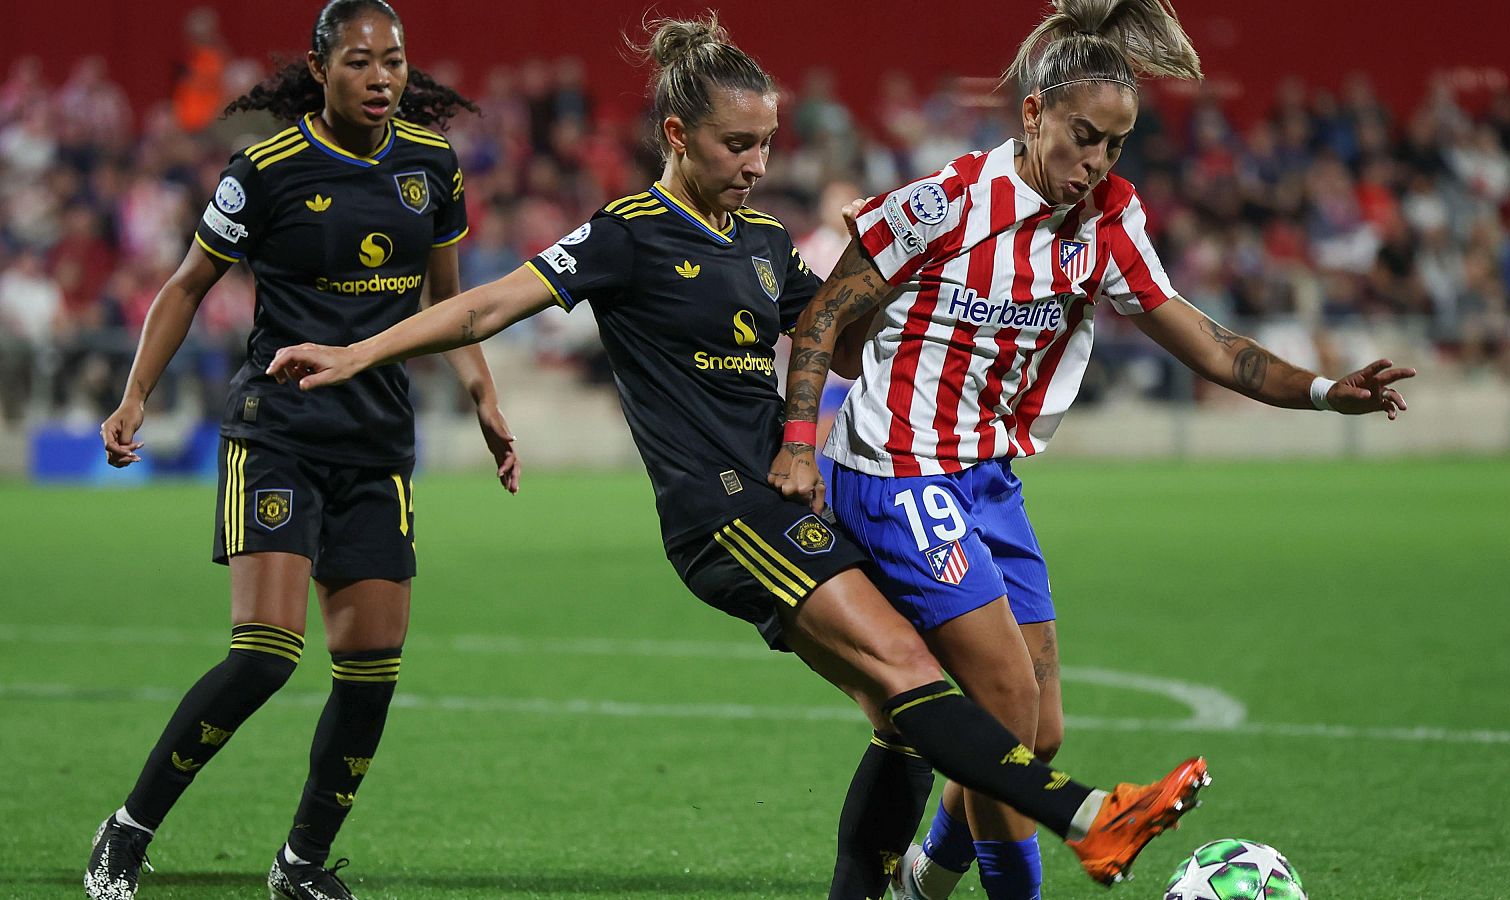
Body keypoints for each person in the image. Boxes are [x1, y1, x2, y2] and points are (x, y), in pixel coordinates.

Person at [265, 14, 1207, 897]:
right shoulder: (627, 233)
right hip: (724, 512)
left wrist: (909, 257)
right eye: (737, 146)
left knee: (904, 723)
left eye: (766, 145)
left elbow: (834, 339)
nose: (758, 166)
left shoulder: (762, 243)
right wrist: (359, 350)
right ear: (678, 135)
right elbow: (486, 303)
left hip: (800, 496)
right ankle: (1087, 812)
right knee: (910, 678)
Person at [768, 2, 1417, 898]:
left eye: (1115, 146)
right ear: (1032, 114)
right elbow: (823, 320)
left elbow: (1202, 337)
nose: (1096, 164)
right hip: (893, 467)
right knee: (1000, 703)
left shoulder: (1108, 220)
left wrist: (1318, 390)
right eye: (1083, 137)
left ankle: (925, 878)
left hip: (986, 480)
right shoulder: (945, 202)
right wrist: (801, 442)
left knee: (1039, 734)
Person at [86, 3, 519, 899]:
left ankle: (301, 865)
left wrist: (483, 394)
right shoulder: (267, 169)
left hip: (376, 443)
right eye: (361, 61)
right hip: (277, 435)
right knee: (265, 653)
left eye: (394, 62)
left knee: (370, 674)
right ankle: (126, 832)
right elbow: (185, 285)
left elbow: (448, 304)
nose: (381, 78)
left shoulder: (431, 166)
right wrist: (135, 394)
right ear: (321, 66)